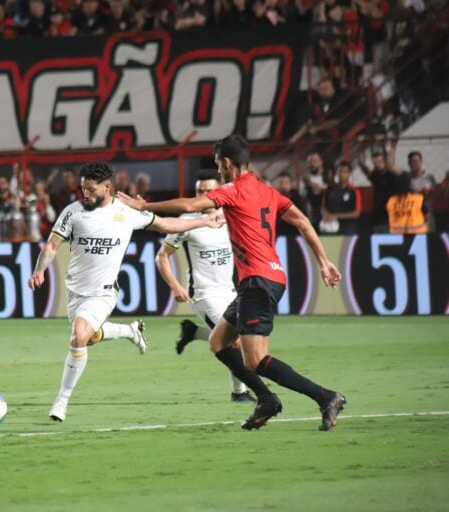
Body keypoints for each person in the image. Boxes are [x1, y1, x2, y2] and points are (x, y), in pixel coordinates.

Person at [118, 135, 346, 432]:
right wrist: (323, 260)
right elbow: (303, 221)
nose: (218, 170)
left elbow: (190, 205)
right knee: (218, 342)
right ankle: (265, 398)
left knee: (255, 359)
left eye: (217, 164)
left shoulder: (233, 190)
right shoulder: (267, 191)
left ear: (226, 163)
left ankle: (325, 396)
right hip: (266, 277)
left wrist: (145, 205)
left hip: (257, 281)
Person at [28, 161, 224, 422]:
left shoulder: (126, 213)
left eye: (90, 189)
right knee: (88, 337)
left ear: (107, 187)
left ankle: (61, 401)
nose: (84, 194)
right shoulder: (72, 212)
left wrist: (204, 221)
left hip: (104, 292)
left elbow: (166, 224)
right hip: (75, 291)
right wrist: (39, 270)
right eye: (82, 188)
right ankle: (129, 331)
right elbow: (52, 245)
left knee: (78, 337)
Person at [154, 169, 255, 404]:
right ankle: (239, 392)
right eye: (200, 190)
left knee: (235, 336)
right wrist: (175, 286)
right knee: (235, 339)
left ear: (219, 190)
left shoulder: (231, 216)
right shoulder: (187, 223)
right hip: (203, 293)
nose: (204, 194)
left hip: (229, 291)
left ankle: (194, 332)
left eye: (209, 190)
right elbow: (162, 257)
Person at [321, 161, 362, 235]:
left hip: (348, 228)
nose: (342, 174)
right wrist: (325, 215)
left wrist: (336, 216)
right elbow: (323, 207)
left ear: (349, 174)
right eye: (340, 171)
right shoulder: (329, 189)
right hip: (330, 227)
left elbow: (356, 213)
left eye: (345, 172)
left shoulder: (354, 191)